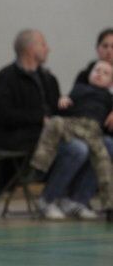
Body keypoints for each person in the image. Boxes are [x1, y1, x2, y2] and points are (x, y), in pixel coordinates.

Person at [30, 60, 113, 218]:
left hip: (93, 132)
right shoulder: (79, 89)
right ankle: (48, 197)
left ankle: (77, 201)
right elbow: (60, 108)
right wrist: (63, 100)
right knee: (78, 147)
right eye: (97, 70)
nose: (99, 74)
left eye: (105, 73)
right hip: (71, 128)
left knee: (107, 151)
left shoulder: (109, 98)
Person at [0, 29, 60, 199]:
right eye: (43, 44)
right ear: (30, 48)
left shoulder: (48, 78)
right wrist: (39, 119)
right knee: (74, 150)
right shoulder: (6, 77)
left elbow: (56, 109)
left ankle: (74, 198)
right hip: (18, 138)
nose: (48, 49)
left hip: (44, 135)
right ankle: (51, 199)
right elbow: (1, 114)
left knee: (88, 144)